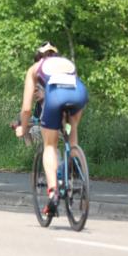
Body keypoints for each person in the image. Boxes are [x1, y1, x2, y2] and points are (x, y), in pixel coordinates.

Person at [14, 41, 88, 216]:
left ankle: (54, 192)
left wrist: (23, 129)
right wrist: (66, 123)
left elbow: (26, 109)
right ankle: (74, 169)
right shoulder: (67, 63)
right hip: (79, 94)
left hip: (55, 97)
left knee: (50, 146)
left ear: (38, 58)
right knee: (71, 131)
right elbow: (71, 88)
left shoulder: (34, 69)